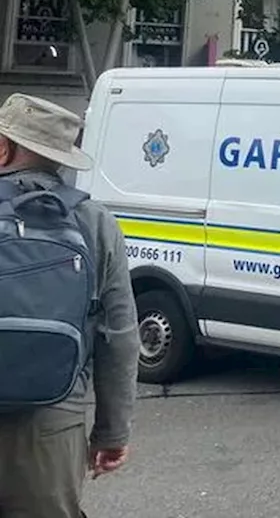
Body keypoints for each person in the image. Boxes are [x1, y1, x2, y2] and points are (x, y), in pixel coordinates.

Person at [0, 94, 139, 518]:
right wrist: (111, 433)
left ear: (3, 147)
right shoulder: (94, 222)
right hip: (52, 419)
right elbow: (120, 338)